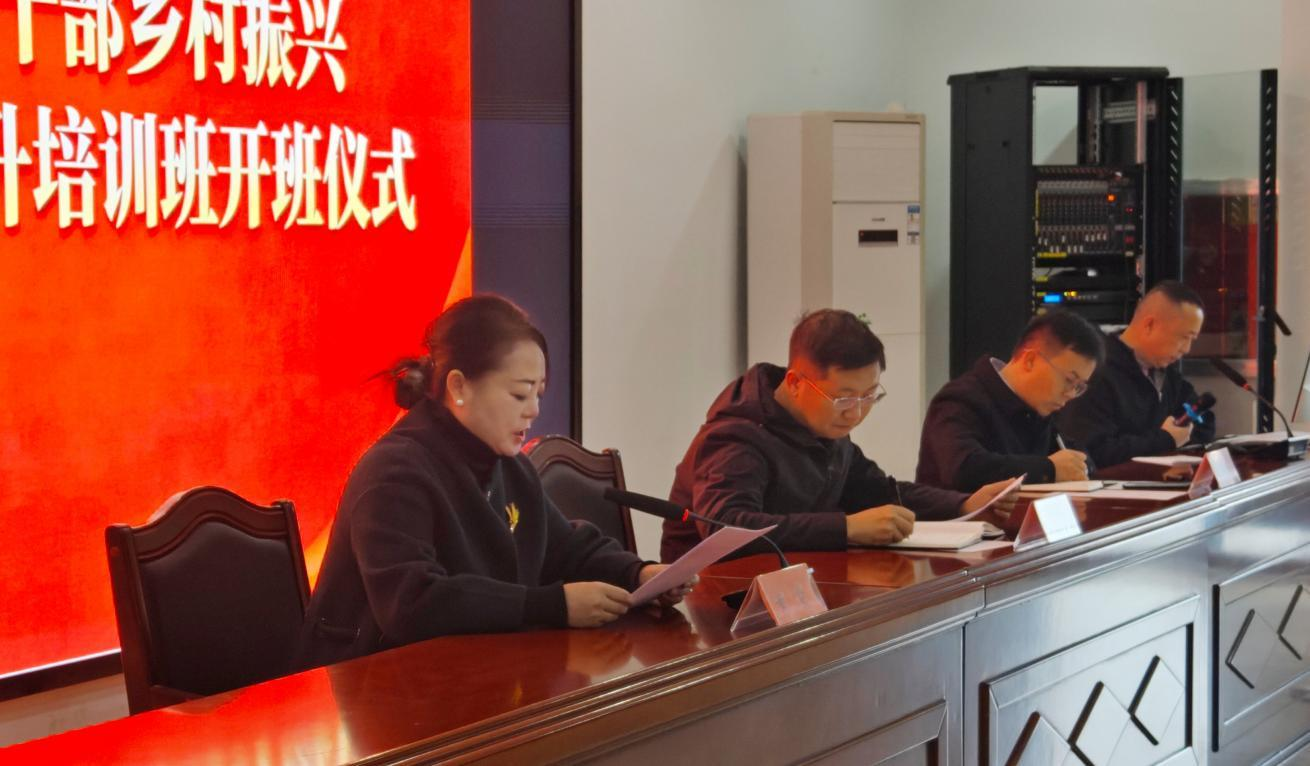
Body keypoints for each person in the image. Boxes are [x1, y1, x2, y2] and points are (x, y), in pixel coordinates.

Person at [295, 295, 689, 670]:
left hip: (469, 672)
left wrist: (639, 574)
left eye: (538, 394)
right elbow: (411, 603)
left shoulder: (507, 465)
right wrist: (551, 605)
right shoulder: (394, 471)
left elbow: (565, 547)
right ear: (459, 387)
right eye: (519, 395)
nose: (533, 411)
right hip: (365, 687)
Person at [660, 309, 1017, 563]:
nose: (855, 412)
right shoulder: (737, 436)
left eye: (869, 396)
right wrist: (845, 528)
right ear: (796, 383)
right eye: (844, 398)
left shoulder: (823, 427)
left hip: (795, 584)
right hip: (714, 598)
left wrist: (964, 504)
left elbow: (877, 490)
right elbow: (726, 528)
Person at [916, 309, 1105, 493]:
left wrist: (1078, 465)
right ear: (1030, 360)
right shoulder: (960, 399)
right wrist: (1049, 469)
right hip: (960, 515)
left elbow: (1077, 458)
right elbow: (962, 468)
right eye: (1069, 380)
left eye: (1079, 387)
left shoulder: (1040, 408)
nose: (1071, 394)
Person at [1058, 281, 1215, 467]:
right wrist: (1164, 439)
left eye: (1192, 340)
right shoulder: (1096, 372)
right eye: (1183, 337)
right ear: (1149, 325)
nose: (1186, 349)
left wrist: (1168, 438)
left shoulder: (1165, 373)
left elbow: (1204, 424)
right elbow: (1092, 453)